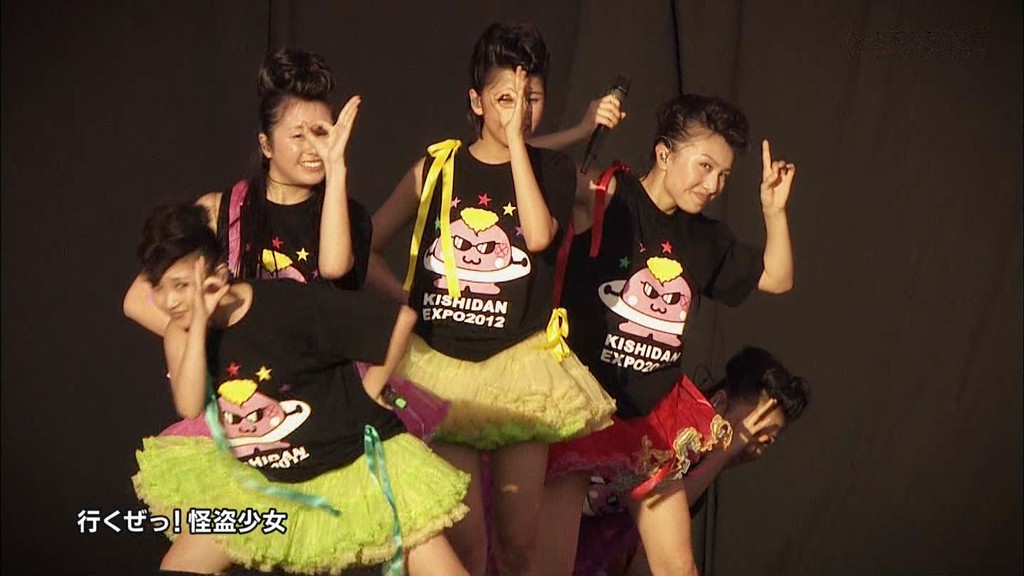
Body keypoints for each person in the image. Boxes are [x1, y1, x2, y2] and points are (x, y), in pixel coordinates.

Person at [366, 22, 616, 575]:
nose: (519, 112)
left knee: (519, 544)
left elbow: (540, 234)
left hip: (519, 369)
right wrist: (408, 298)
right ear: (476, 101)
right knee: (464, 543)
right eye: (505, 99)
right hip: (439, 371)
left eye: (532, 98)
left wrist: (520, 144)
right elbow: (366, 248)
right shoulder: (436, 168)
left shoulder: (554, 169)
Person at [534, 93, 798, 576]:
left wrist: (773, 211)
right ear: (663, 153)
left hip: (649, 420)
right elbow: (515, 161)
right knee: (548, 568)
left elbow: (778, 278)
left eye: (724, 175)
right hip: (579, 409)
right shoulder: (607, 195)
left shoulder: (704, 239)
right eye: (704, 166)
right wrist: (582, 128)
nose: (713, 185)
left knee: (679, 568)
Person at [131, 203, 469, 575]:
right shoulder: (181, 332)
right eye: (160, 288)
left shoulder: (287, 305)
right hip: (265, 481)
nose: (169, 301)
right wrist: (197, 324)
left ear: (218, 273)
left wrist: (370, 389)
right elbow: (190, 405)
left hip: (355, 464)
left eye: (181, 286)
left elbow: (399, 320)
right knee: (180, 566)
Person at [123, 47, 367, 337]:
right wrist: (207, 346)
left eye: (321, 133)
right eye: (298, 135)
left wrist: (336, 167)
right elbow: (139, 299)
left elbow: (334, 267)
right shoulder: (220, 211)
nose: (313, 148)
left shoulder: (349, 217)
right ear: (266, 145)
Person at [573, 347, 811, 576]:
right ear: (718, 402)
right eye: (751, 428)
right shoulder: (672, 422)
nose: (749, 444)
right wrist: (726, 450)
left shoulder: (702, 469)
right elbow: (661, 504)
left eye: (765, 441)